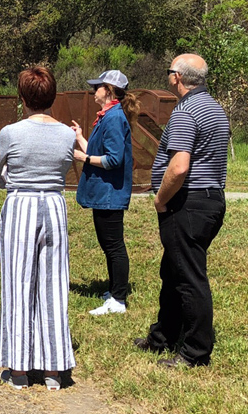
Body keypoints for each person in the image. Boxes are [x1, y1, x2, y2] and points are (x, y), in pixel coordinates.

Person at [135, 54, 230, 369]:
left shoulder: (186, 111)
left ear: (176, 77)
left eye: (168, 71)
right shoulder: (214, 108)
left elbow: (178, 168)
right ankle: (163, 336)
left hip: (188, 202)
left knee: (189, 277)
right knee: (173, 271)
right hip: (210, 200)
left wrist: (161, 199)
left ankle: (195, 352)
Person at [0, 66, 76, 391]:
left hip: (21, 205)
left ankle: (20, 370)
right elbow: (65, 166)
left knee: (18, 283)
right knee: (54, 286)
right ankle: (54, 370)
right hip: (54, 204)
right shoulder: (67, 134)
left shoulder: (11, 132)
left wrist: (8, 179)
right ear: (52, 96)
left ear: (23, 97)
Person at [70, 70, 138, 316]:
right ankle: (114, 290)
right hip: (103, 194)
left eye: (97, 86)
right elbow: (100, 152)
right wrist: (80, 139)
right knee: (108, 245)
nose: (93, 90)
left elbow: (113, 160)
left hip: (110, 195)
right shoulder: (108, 116)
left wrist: (84, 157)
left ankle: (118, 300)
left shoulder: (113, 118)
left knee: (114, 246)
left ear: (108, 91)